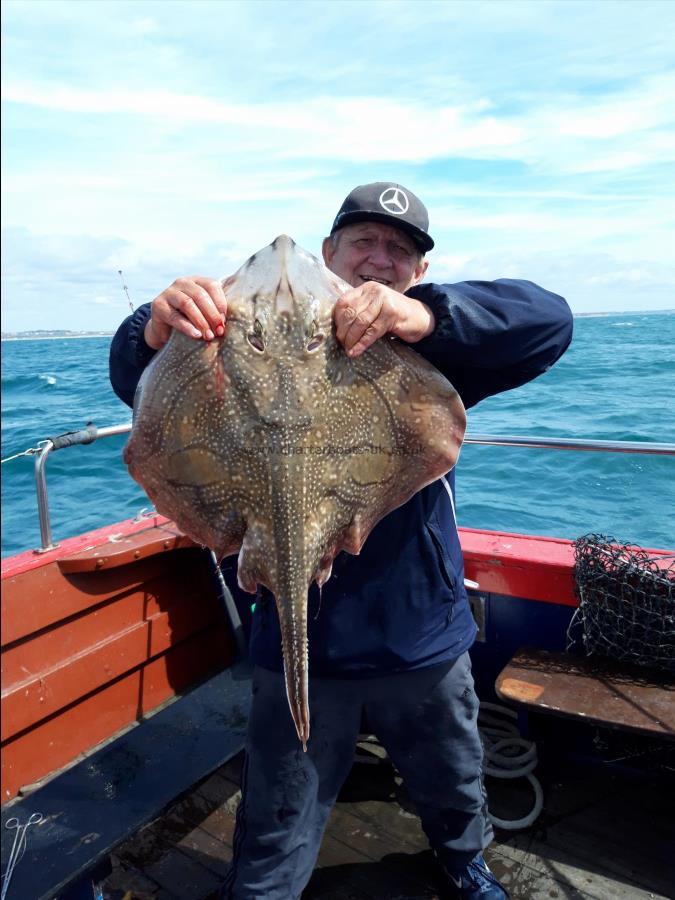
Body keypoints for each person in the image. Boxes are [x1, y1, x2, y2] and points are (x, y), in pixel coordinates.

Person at [109, 182, 573, 899]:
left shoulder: (430, 346)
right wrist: (152, 325)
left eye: (399, 250)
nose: (379, 259)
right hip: (299, 637)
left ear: (417, 272)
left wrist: (423, 319)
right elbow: (133, 383)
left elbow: (549, 321)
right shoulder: (219, 341)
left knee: (449, 774)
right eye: (364, 242)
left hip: (418, 632)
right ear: (331, 256)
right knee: (279, 807)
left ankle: (462, 856)